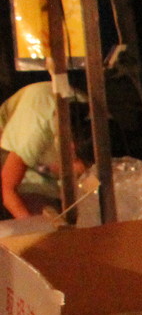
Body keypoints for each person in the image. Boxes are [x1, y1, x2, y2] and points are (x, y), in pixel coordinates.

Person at [0, 81, 89, 219]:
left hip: (44, 160)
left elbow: (82, 170)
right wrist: (33, 229)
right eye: (72, 148)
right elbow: (7, 188)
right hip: (7, 144)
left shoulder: (98, 127)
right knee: (36, 203)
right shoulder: (33, 131)